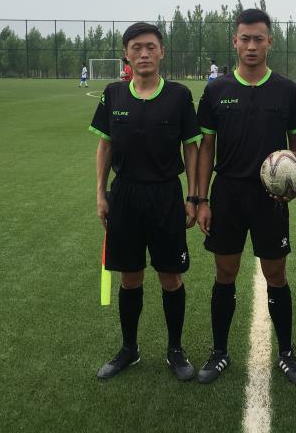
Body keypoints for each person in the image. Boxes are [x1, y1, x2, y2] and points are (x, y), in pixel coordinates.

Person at [195, 8, 296, 385]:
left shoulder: (288, 91)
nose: (252, 45)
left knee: (276, 274)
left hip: (270, 199)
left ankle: (287, 353)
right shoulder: (216, 90)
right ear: (235, 42)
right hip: (227, 194)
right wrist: (202, 199)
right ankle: (219, 352)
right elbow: (206, 148)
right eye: (245, 38)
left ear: (270, 42)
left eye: (259, 38)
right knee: (224, 272)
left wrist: (294, 186)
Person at [90, 22, 202, 381]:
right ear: (126, 53)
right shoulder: (113, 94)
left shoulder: (179, 96)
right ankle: (129, 349)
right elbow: (105, 146)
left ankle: (175, 350)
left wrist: (193, 196)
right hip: (124, 195)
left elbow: (192, 148)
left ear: (162, 52)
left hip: (166, 195)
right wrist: (101, 193)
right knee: (130, 277)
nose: (144, 53)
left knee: (170, 276)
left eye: (151, 47)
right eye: (136, 47)